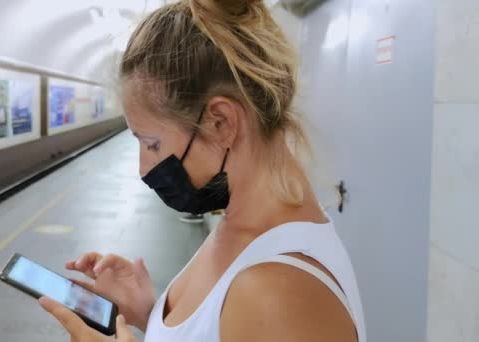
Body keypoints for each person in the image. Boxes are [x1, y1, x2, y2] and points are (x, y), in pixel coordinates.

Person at [38, 0, 367, 341]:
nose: (143, 168)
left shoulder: (276, 296)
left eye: (152, 144)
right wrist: (151, 315)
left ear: (221, 123)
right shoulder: (240, 223)